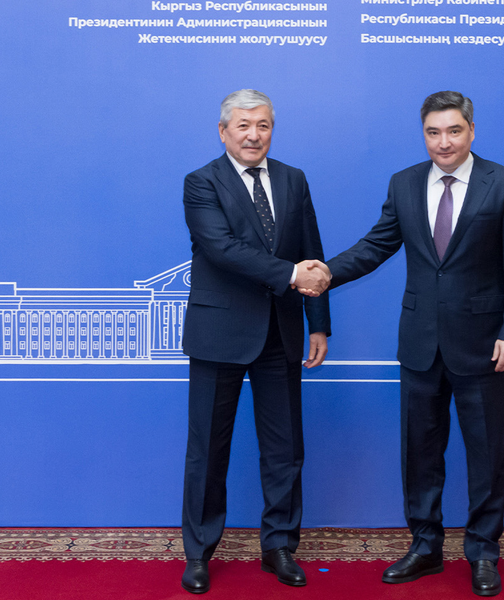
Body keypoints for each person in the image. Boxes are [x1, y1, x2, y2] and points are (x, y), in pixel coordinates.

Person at [320, 91, 504, 597]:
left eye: (454, 131)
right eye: (433, 132)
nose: (444, 142)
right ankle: (425, 546)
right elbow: (376, 245)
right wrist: (326, 272)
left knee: (486, 454)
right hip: (419, 343)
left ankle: (483, 552)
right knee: (419, 451)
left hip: (483, 345)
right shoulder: (404, 183)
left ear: (471, 131)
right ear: (424, 134)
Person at [179, 89, 332, 595]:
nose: (253, 135)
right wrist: (290, 274)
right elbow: (221, 248)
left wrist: (318, 322)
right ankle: (199, 552)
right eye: (243, 125)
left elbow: (311, 250)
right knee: (208, 449)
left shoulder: (293, 179)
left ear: (272, 129)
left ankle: (279, 547)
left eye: (262, 125)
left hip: (281, 331)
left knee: (285, 447)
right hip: (219, 333)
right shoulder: (201, 182)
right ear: (223, 131)